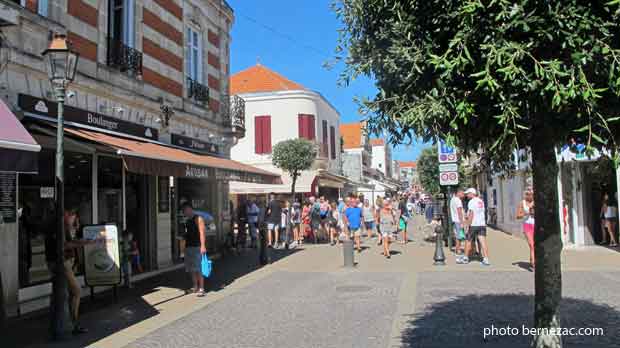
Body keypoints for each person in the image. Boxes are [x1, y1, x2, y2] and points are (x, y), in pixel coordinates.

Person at [45, 207, 95, 334]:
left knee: (62, 293)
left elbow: (70, 241)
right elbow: (65, 245)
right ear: (66, 214)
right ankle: (73, 323)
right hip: (61, 263)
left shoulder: (62, 226)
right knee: (76, 291)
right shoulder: (59, 226)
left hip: (61, 262)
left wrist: (78, 236)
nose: (74, 218)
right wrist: (83, 243)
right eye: (73, 215)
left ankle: (61, 322)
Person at [459, 188, 490, 266]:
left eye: (468, 193)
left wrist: (467, 225)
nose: (467, 195)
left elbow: (471, 214)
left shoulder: (472, 202)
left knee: (468, 240)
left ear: (472, 193)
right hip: (482, 224)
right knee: (483, 241)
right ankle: (486, 258)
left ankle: (465, 258)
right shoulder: (480, 201)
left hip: (474, 224)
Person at [182, 202, 208, 297]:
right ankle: (195, 286)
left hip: (197, 246)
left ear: (189, 209)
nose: (184, 212)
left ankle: (201, 288)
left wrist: (203, 246)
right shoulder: (187, 220)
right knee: (191, 269)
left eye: (184, 210)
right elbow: (187, 234)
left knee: (198, 268)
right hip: (188, 247)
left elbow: (202, 233)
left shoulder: (198, 218)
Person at [516, 189, 536, 269]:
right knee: (532, 244)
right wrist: (527, 213)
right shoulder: (522, 203)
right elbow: (517, 216)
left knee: (535, 245)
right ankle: (534, 263)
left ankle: (532, 260)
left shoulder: (536, 202)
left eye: (531, 194)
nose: (530, 196)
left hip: (536, 225)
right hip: (527, 225)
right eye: (528, 194)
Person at [450, 190, 466, 258]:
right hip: (458, 220)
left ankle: (457, 249)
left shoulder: (452, 199)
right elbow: (459, 211)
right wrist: (462, 222)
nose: (464, 195)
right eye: (462, 193)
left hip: (455, 220)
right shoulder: (458, 200)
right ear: (458, 193)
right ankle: (458, 250)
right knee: (459, 236)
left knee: (457, 235)